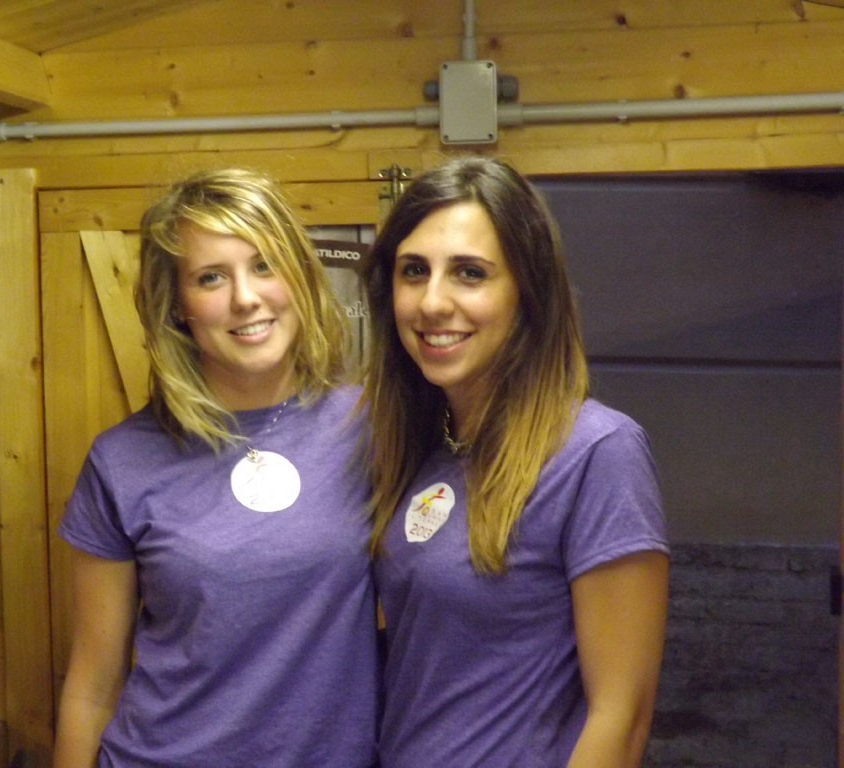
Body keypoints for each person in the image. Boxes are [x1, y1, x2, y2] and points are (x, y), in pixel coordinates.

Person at [53, 168, 380, 768]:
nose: (245, 297)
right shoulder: (122, 460)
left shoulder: (373, 429)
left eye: (264, 265)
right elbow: (93, 685)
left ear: (300, 278)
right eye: (211, 277)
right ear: (178, 307)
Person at [362, 155, 669, 768]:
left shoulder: (597, 452)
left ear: (528, 293)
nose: (432, 301)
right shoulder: (420, 446)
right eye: (414, 271)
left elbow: (621, 718)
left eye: (469, 273)